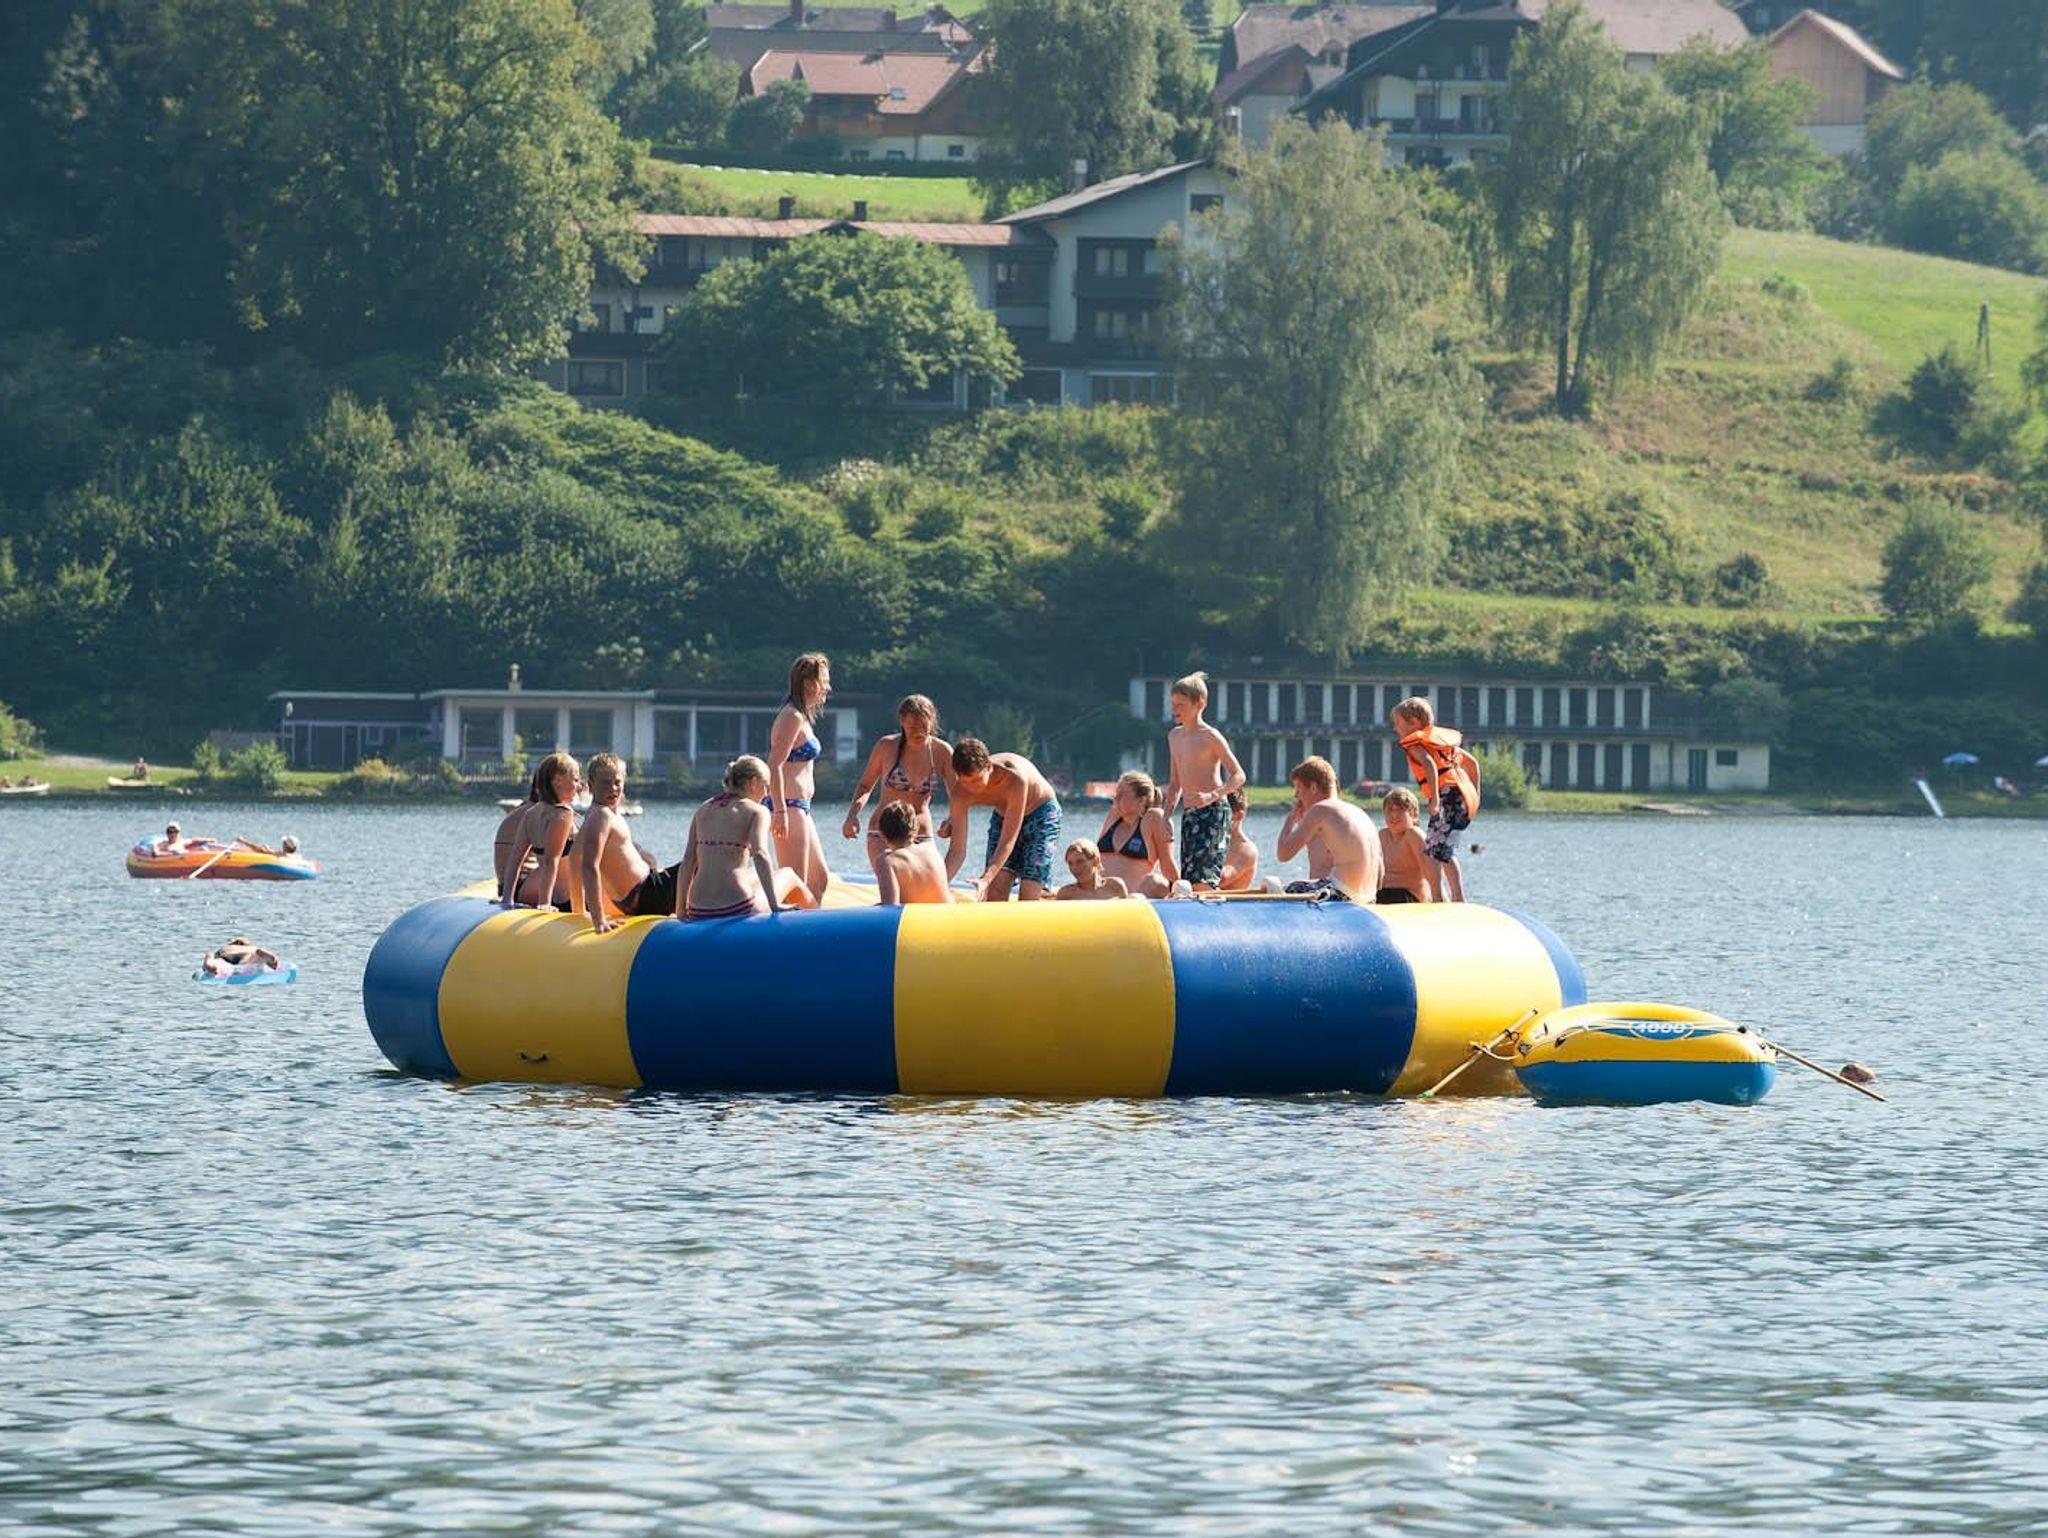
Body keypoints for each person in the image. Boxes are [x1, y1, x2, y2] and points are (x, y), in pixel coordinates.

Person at [945, 737, 1064, 901]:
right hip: (1004, 815)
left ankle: (1043, 893)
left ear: (989, 766)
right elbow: (957, 850)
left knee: (1028, 894)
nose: (972, 788)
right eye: (966, 783)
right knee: (995, 892)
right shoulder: (960, 794)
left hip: (1041, 814)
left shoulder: (1014, 778)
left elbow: (1008, 840)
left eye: (977, 780)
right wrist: (940, 883)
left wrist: (985, 878)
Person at [843, 694, 953, 868]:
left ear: (932, 721)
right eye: (912, 727)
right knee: (890, 876)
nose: (918, 732)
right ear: (902, 722)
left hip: (920, 831)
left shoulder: (942, 752)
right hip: (884, 829)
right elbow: (865, 786)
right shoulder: (886, 747)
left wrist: (951, 819)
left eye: (923, 726)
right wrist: (852, 816)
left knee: (928, 878)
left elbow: (957, 795)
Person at [1390, 696, 1480, 903]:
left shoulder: (1416, 744)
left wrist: (1436, 799)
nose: (1395, 728)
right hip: (1462, 798)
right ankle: (1458, 897)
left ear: (1413, 722)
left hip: (1447, 797)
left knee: (1431, 852)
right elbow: (1473, 764)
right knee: (1443, 851)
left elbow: (1430, 765)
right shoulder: (1443, 744)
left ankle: (1439, 899)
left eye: (1397, 723)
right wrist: (1476, 794)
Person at [1162, 673, 1246, 890]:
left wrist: (1212, 795)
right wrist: (1166, 817)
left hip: (1213, 812)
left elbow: (1239, 775)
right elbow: (1175, 784)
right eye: (1173, 704)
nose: (1175, 709)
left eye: (1181, 705)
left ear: (1200, 704)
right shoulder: (1174, 736)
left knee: (1205, 879)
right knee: (1189, 880)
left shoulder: (1210, 736)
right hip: (1190, 814)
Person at [577, 753, 677, 933]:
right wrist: (598, 919)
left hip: (642, 895)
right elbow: (588, 866)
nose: (613, 788)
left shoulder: (603, 814)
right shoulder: (601, 816)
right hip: (647, 894)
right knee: (700, 861)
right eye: (605, 783)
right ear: (590, 786)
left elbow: (575, 857)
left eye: (617, 782)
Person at [678, 756, 786, 921]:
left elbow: (688, 861)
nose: (767, 794)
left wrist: (680, 910)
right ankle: (813, 916)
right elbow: (760, 855)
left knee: (751, 873)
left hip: (698, 909)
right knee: (788, 874)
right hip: (737, 907)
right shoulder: (757, 811)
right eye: (766, 787)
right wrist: (774, 905)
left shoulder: (703, 809)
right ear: (753, 782)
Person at [768, 652, 832, 905]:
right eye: (823, 681)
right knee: (797, 884)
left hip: (801, 808)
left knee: (819, 880)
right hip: (788, 806)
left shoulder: (803, 716)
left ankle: (812, 926)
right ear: (807, 683)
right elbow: (774, 764)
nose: (828, 687)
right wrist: (780, 811)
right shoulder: (791, 716)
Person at [1276, 756, 1381, 901]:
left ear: (1313, 787)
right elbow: (1381, 871)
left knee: (1277, 891)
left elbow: (1283, 854)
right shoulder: (1359, 812)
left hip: (1343, 894)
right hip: (1369, 897)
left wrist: (1291, 819)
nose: (1296, 796)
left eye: (1299, 788)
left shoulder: (1320, 809)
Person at [499, 751, 582, 911]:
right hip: (571, 899)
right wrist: (544, 904)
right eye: (575, 780)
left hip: (556, 897)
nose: (579, 786)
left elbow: (515, 859)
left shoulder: (530, 814)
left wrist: (507, 898)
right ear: (558, 780)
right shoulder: (563, 813)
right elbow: (552, 860)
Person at [1093, 770, 1176, 897]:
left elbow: (1168, 866)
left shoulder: (1153, 819)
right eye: (1116, 793)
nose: (1115, 798)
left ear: (1141, 800)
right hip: (1097, 897)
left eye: (1122, 794)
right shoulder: (1114, 816)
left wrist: (1182, 892)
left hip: (1132, 900)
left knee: (1155, 882)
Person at [873, 800, 951, 906]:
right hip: (949, 913)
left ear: (882, 834)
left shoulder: (887, 862)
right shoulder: (932, 852)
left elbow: (890, 907)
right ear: (916, 828)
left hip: (919, 916)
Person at [492, 766, 545, 901]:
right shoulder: (538, 814)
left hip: (509, 886)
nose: (578, 786)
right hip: (520, 886)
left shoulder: (527, 809)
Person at [1375, 787, 1434, 903]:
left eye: (1400, 810)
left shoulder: (1413, 835)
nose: (1394, 815)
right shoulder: (1382, 836)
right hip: (1382, 894)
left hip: (1408, 896)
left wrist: (1441, 900)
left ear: (1413, 814)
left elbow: (1433, 873)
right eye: (1389, 810)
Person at [1056, 839, 1129, 901]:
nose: (1075, 868)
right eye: (1070, 863)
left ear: (1095, 860)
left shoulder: (1115, 886)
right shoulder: (1066, 894)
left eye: (1080, 861)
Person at [1220, 789, 1258, 891]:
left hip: (1229, 901)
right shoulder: (1212, 843)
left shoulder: (1247, 849)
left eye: (1219, 813)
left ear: (1238, 816)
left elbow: (1224, 879)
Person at [201, 937, 283, 976]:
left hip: (225, 957)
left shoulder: (226, 948)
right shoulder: (250, 948)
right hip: (247, 956)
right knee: (258, 958)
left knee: (216, 966)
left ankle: (209, 959)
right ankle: (266, 956)